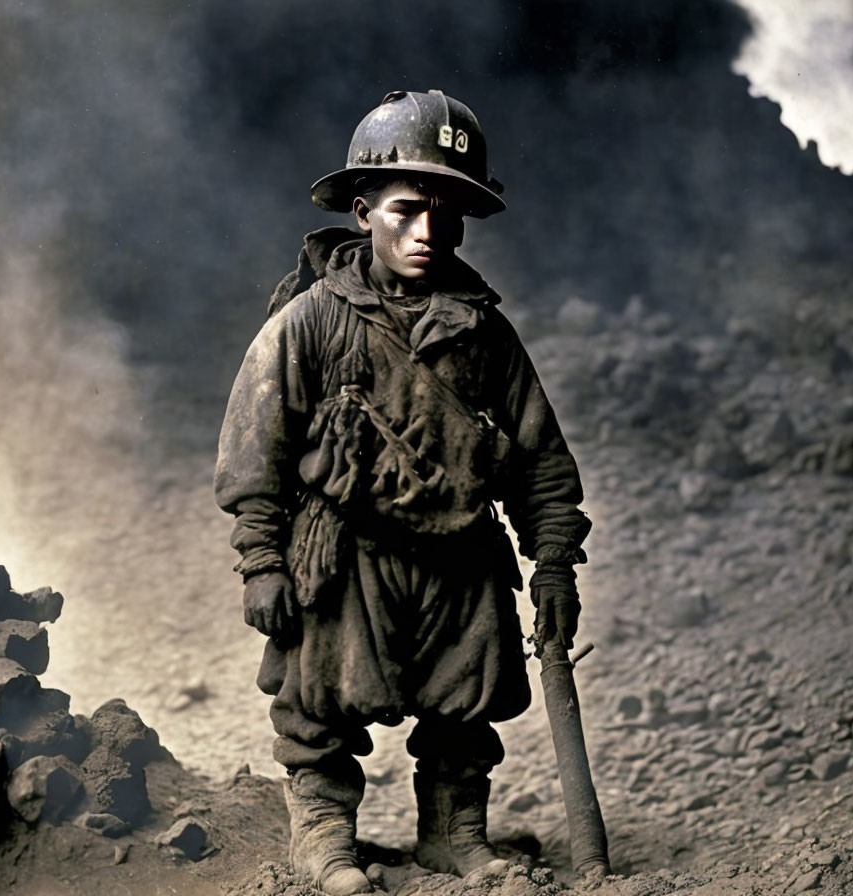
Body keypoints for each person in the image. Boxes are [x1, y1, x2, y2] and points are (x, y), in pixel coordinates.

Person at [215, 89, 591, 896]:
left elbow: (538, 457)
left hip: (461, 556)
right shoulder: (311, 322)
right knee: (319, 701)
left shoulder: (485, 332)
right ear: (362, 212)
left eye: (447, 215)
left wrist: (554, 562)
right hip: (347, 556)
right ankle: (324, 835)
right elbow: (256, 452)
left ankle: (453, 833)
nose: (427, 232)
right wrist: (262, 563)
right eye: (406, 210)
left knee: (466, 703)